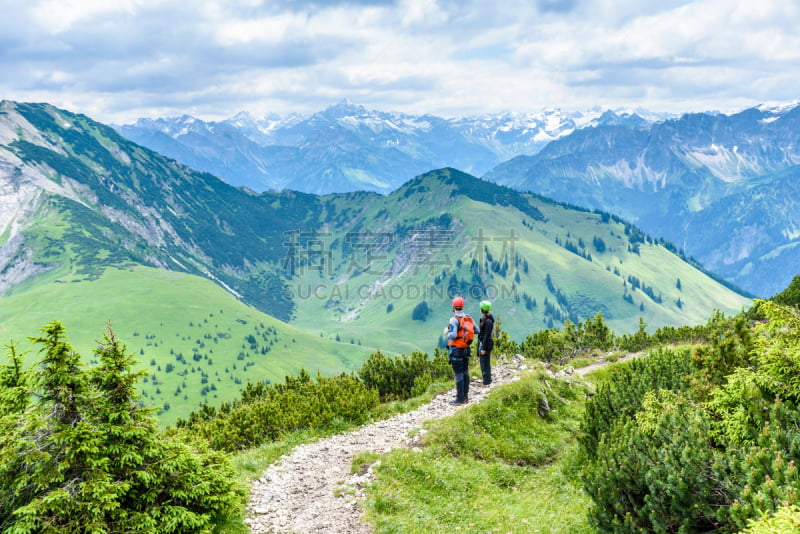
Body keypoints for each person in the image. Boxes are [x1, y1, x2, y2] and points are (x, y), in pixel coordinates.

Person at [444, 296, 478, 405]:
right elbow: (477, 330)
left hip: (456, 350)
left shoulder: (454, 319)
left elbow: (453, 335)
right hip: (466, 349)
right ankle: (465, 397)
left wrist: (446, 332)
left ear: (453, 307)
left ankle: (460, 399)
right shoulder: (468, 317)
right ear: (462, 306)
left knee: (458, 374)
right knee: (465, 372)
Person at [477, 300, 494, 385]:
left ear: (483, 309)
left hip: (485, 344)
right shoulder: (486, 319)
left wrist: (483, 347)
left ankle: (487, 380)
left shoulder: (488, 321)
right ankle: (486, 379)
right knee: (483, 362)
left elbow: (487, 335)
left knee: (485, 363)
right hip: (484, 343)